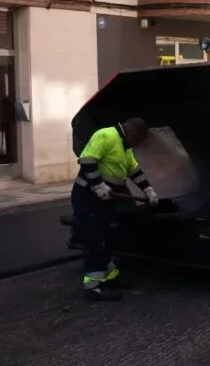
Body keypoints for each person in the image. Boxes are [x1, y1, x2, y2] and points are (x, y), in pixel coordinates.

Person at [72, 117, 159, 301]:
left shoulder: (124, 147)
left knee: (107, 236)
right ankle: (93, 287)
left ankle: (110, 276)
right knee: (95, 239)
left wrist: (148, 190)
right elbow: (87, 160)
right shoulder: (105, 135)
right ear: (132, 134)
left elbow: (134, 171)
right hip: (87, 197)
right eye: (138, 141)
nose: (137, 145)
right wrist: (98, 186)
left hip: (103, 199)